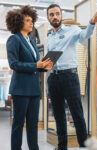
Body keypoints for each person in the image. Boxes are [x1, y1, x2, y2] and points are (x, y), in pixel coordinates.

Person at [46, 4, 97, 150]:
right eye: (51, 14)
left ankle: (83, 146)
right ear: (48, 17)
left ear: (61, 15)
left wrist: (91, 23)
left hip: (70, 78)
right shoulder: (49, 37)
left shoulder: (73, 30)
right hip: (53, 78)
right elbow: (49, 59)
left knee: (77, 115)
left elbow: (85, 35)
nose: (55, 16)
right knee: (58, 116)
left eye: (57, 13)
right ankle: (61, 146)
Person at [6, 5, 53, 150]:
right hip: (20, 89)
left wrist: (43, 67)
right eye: (28, 20)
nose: (31, 23)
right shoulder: (14, 39)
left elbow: (35, 65)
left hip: (34, 89)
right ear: (19, 22)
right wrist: (36, 66)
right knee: (18, 124)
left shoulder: (32, 42)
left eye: (32, 20)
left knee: (33, 124)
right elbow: (14, 64)